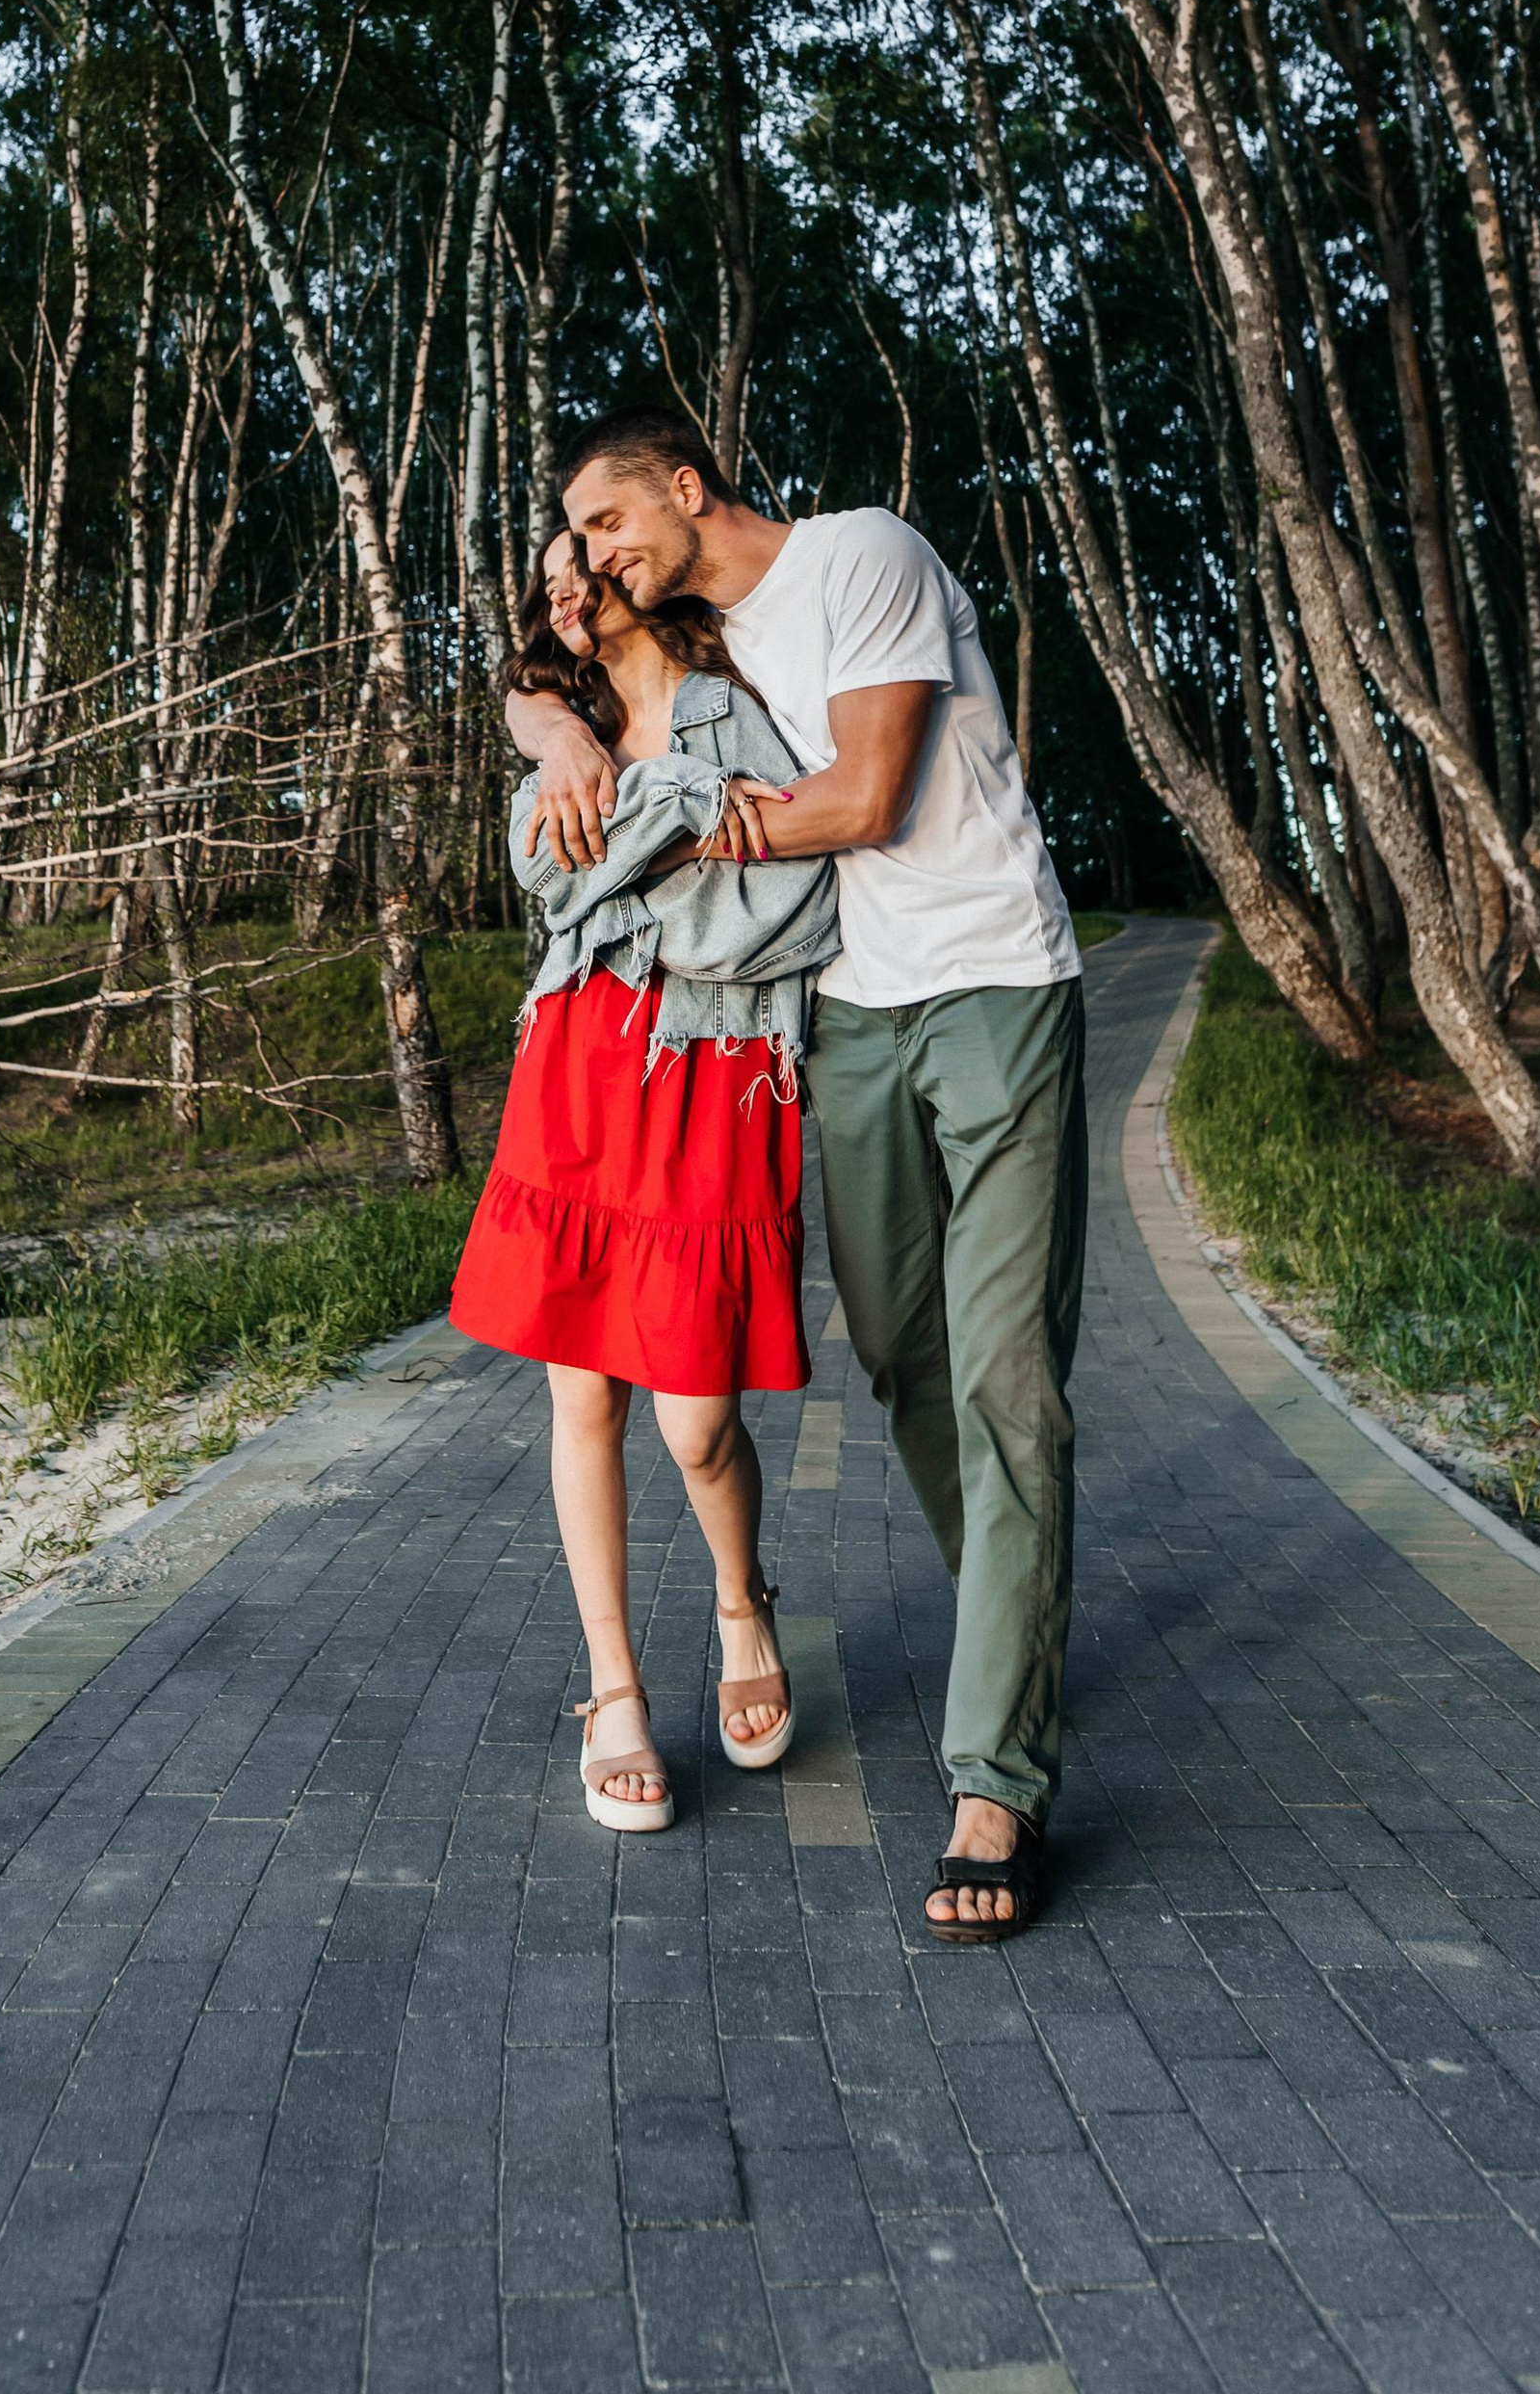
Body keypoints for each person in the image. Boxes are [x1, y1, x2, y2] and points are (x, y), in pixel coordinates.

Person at [506, 409, 1084, 1943]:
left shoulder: (860, 557)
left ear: (686, 488)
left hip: (988, 986)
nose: (593, 556)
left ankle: (996, 1776)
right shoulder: (703, 640)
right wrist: (555, 724)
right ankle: (1007, 1627)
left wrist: (638, 837)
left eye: (608, 524)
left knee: (1000, 1381)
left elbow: (865, 802)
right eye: (576, 546)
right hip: (846, 1024)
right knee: (901, 1360)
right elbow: (554, 711)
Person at [451, 530, 841, 1833]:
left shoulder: (744, 700)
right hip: (578, 1064)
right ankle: (614, 1688)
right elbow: (548, 878)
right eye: (546, 570)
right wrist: (639, 798)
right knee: (585, 1399)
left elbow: (797, 896)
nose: (562, 583)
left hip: (714, 1076)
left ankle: (742, 1602)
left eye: (586, 560)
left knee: (697, 1422)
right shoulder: (564, 723)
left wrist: (632, 832)